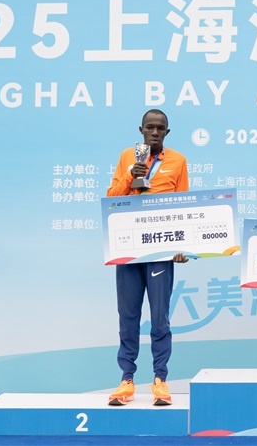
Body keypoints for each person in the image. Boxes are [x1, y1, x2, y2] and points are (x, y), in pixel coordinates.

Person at [106, 109, 190, 407]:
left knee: (159, 317)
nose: (155, 132)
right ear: (141, 130)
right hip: (128, 248)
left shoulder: (178, 161)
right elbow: (112, 197)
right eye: (150, 127)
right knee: (128, 317)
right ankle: (127, 379)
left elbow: (182, 206)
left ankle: (160, 379)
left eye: (160, 128)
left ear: (167, 132)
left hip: (160, 251)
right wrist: (131, 176)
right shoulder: (127, 157)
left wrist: (182, 247)